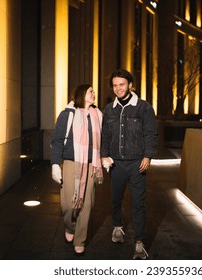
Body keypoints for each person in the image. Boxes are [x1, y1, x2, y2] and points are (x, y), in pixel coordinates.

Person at [101, 69, 158, 260]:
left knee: (138, 204)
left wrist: (148, 156)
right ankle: (117, 226)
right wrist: (104, 155)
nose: (118, 88)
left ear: (130, 85)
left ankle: (140, 243)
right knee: (115, 200)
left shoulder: (144, 107)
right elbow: (105, 136)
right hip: (116, 164)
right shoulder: (109, 109)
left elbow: (150, 134)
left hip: (136, 164)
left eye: (122, 84)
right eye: (115, 85)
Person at [51, 84, 103, 256]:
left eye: (93, 91)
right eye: (90, 91)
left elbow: (104, 140)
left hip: (90, 165)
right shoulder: (67, 115)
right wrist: (55, 164)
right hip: (71, 163)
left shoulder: (97, 115)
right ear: (82, 94)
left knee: (87, 204)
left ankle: (79, 239)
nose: (93, 93)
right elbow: (57, 141)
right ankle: (69, 225)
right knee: (67, 204)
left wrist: (106, 157)